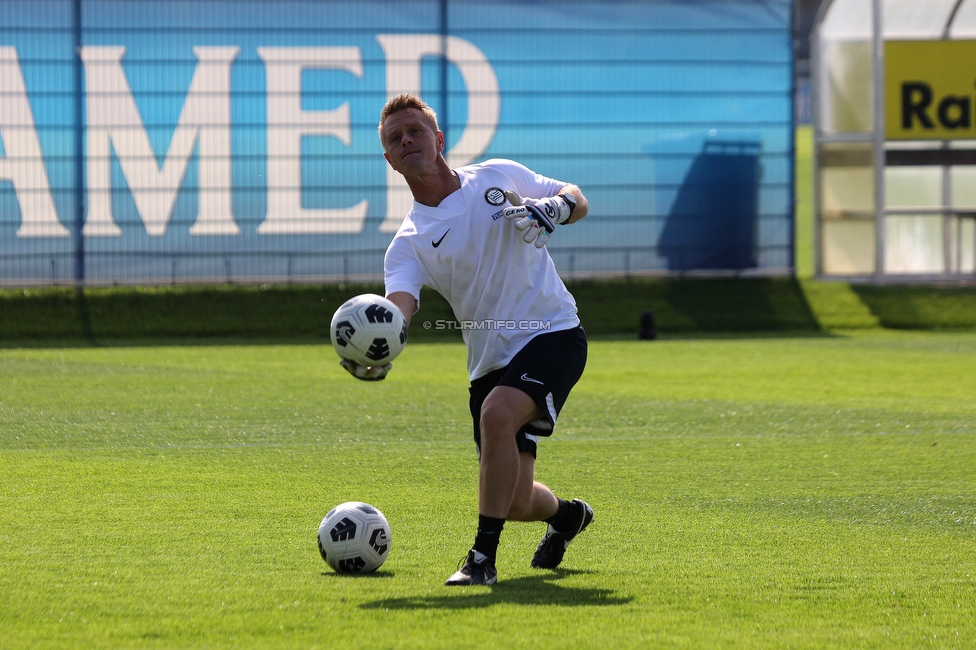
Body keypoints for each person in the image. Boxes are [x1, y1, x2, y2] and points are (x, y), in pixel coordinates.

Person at [342, 92, 592, 586]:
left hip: (554, 331)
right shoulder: (408, 243)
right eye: (395, 138)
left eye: (415, 131)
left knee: (497, 414)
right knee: (516, 501)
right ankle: (567, 516)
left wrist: (556, 208)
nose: (407, 140)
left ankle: (481, 560)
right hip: (488, 365)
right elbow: (400, 308)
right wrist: (379, 344)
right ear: (390, 161)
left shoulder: (497, 175)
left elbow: (576, 196)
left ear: (437, 139)